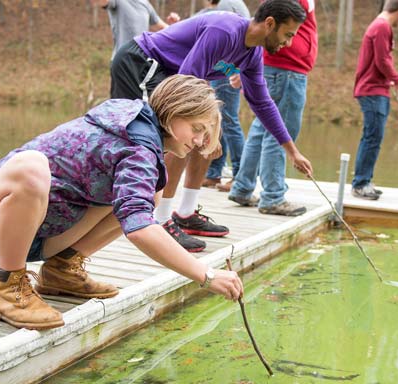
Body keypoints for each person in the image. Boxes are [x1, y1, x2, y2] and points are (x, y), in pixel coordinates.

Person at [0, 75, 244, 330]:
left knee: (151, 192)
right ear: (175, 111)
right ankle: (9, 285)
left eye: (204, 134)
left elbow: (137, 211)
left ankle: (62, 269)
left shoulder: (141, 140)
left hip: (41, 233)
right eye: (197, 128)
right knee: (31, 165)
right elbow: (140, 228)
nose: (198, 140)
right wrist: (206, 275)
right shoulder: (136, 144)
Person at [109, 0, 314, 252]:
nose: (289, 43)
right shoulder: (225, 30)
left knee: (205, 130)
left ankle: (185, 213)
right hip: (141, 62)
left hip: (170, 75)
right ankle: (160, 219)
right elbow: (188, 78)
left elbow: (262, 102)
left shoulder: (252, 55)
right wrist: (209, 127)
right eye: (288, 34)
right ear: (270, 23)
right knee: (181, 132)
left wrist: (292, 151)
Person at [228, 0, 317, 216]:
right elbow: (274, 16)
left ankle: (243, 187)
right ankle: (273, 197)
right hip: (286, 69)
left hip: (277, 67)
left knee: (262, 127)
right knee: (280, 130)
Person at [351, 0, 398, 200]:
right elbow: (382, 59)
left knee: (373, 137)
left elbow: (379, 60)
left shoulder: (378, 25)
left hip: (377, 89)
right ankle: (361, 184)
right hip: (372, 90)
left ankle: (365, 180)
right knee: (372, 137)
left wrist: (389, 81)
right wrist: (397, 79)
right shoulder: (382, 26)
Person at [197, 0, 252, 193]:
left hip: (227, 70)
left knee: (228, 120)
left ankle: (239, 174)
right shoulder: (227, 4)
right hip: (223, 69)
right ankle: (214, 173)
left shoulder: (228, 4)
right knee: (218, 121)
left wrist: (228, 70)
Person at [91, 0, 180, 95]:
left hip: (141, 61)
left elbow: (163, 28)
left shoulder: (145, 3)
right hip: (122, 62)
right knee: (121, 104)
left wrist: (173, 25)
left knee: (144, 101)